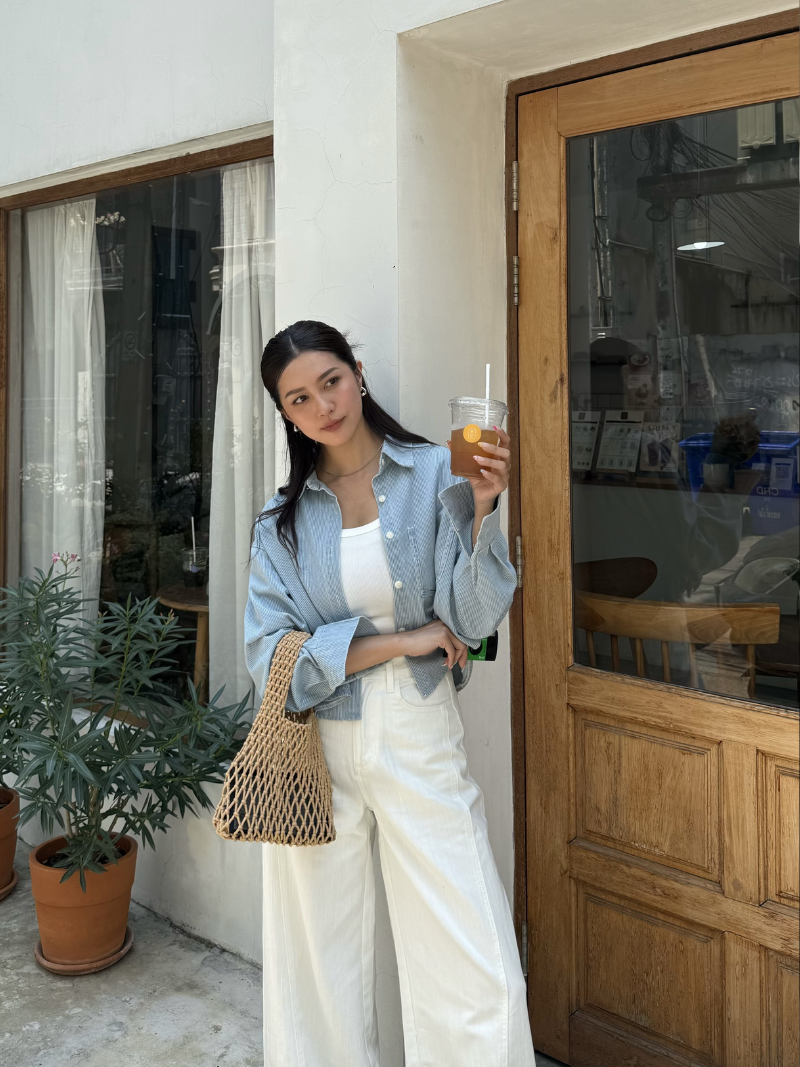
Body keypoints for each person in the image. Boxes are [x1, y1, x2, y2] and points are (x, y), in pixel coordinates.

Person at [245, 320, 536, 1067]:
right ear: (286, 413)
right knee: (316, 959)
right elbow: (268, 656)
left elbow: (471, 621)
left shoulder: (438, 471)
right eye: (299, 398)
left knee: (472, 957)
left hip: (417, 726)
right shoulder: (280, 523)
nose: (323, 406)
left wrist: (483, 507)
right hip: (313, 745)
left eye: (331, 381)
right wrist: (402, 641)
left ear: (357, 372)